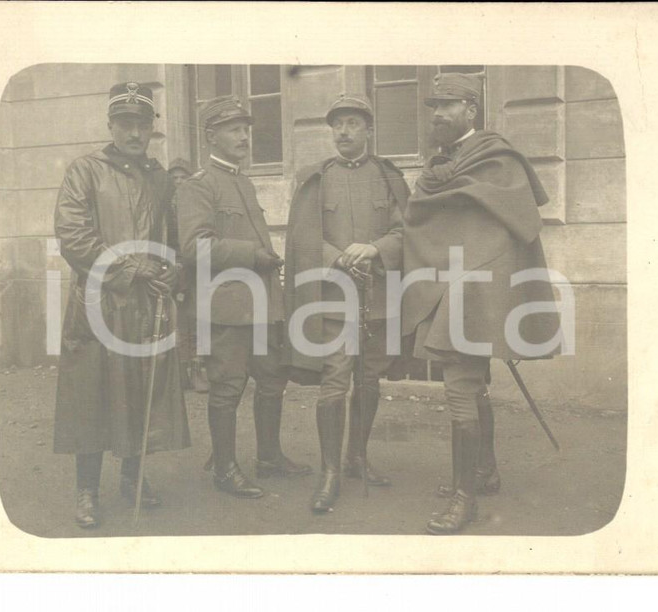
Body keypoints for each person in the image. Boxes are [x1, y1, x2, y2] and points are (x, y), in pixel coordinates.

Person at [401, 73, 561, 534]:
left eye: (447, 105)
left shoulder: (496, 159)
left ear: (471, 110)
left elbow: (515, 227)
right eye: (434, 107)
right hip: (446, 283)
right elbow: (427, 225)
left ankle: (464, 499)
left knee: (459, 389)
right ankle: (483, 471)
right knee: (471, 384)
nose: (437, 114)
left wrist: (478, 287)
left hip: (477, 287)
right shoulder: (439, 165)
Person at [52, 82, 190, 529]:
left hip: (146, 307)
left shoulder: (160, 178)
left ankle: (133, 479)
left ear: (152, 128)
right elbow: (74, 238)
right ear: (110, 124)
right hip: (97, 304)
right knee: (90, 396)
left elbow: (174, 238)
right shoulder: (84, 171)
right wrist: (130, 270)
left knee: (141, 391)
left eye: (142, 124)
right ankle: (87, 491)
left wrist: (173, 271)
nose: (134, 132)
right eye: (125, 123)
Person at [176, 95, 311, 499]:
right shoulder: (198, 187)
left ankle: (268, 457)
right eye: (234, 130)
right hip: (227, 308)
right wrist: (252, 254)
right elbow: (194, 247)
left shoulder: (242, 182)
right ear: (210, 136)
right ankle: (224, 467)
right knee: (227, 386)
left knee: (272, 379)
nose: (244, 137)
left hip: (261, 305)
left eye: (246, 129)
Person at [283, 94, 409, 513]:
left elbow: (406, 231)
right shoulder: (315, 179)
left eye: (353, 123)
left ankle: (358, 456)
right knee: (334, 382)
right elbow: (303, 239)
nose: (344, 132)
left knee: (369, 380)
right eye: (337, 124)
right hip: (332, 299)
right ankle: (330, 471)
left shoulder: (388, 178)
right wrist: (336, 257)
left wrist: (374, 249)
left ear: (369, 129)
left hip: (378, 299)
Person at [166, 158, 210, 394]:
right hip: (175, 269)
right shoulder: (165, 207)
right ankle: (181, 371)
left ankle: (199, 368)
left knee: (199, 320)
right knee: (179, 322)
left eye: (184, 177)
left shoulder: (196, 202)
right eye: (175, 178)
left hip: (197, 269)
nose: (180, 182)